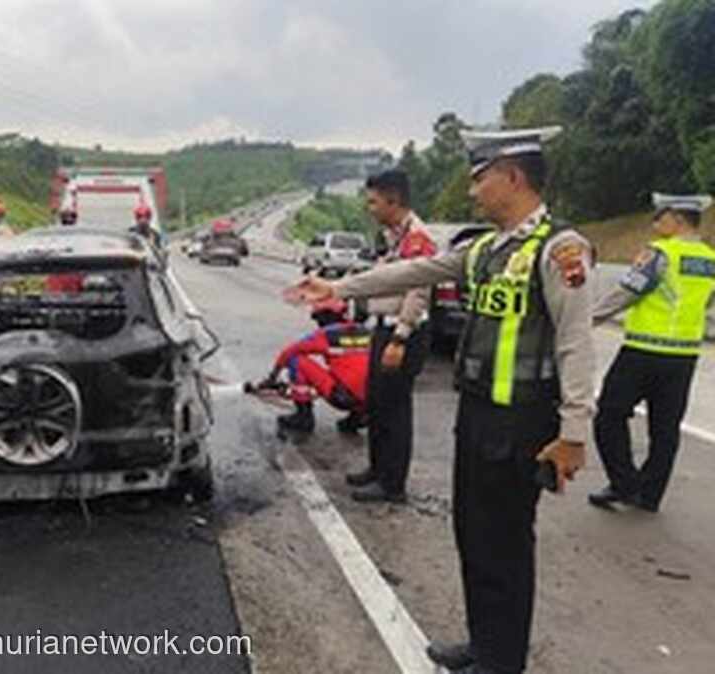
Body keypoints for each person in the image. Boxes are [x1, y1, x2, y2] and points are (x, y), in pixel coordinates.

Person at [285, 127, 595, 674]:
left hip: (521, 422)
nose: (472, 192)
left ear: (513, 177)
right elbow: (415, 271)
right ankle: (484, 645)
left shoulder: (559, 250)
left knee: (504, 545)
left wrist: (573, 433)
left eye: (480, 179)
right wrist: (339, 288)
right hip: (475, 416)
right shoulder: (487, 249)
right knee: (473, 535)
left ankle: (502, 662)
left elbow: (576, 341)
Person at [589, 192, 715, 513]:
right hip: (684, 356)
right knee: (665, 430)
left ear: (677, 219)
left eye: (660, 215)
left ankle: (625, 484)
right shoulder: (710, 259)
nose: (655, 221)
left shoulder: (660, 254)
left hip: (643, 351)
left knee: (609, 415)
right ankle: (650, 495)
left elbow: (626, 292)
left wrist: (586, 320)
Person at [347, 169, 438, 504]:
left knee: (395, 408)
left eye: (373, 201)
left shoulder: (417, 238)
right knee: (377, 403)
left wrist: (399, 338)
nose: (369, 208)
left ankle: (392, 483)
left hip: (404, 332)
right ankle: (377, 468)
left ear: (393, 200)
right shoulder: (393, 237)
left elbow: (418, 291)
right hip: (383, 326)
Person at [252, 298, 370, 433]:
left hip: (343, 397)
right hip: (372, 399)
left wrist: (272, 378)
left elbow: (288, 353)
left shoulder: (326, 334)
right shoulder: (366, 331)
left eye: (318, 318)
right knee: (355, 373)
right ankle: (357, 418)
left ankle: (303, 416)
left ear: (326, 316)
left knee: (296, 361)